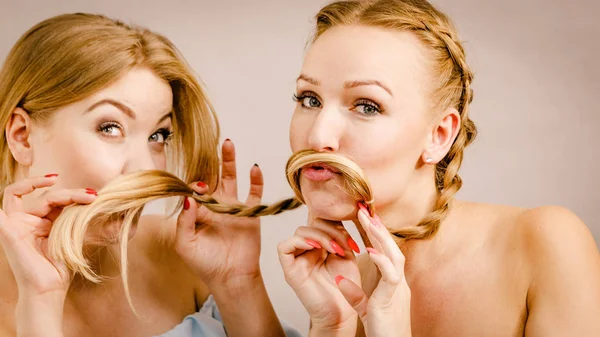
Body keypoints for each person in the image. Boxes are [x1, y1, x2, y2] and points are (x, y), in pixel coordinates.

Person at [278, 0, 600, 336]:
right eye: (309, 99)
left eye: (367, 106)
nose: (317, 137)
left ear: (439, 135)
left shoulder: (546, 245)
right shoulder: (343, 283)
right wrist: (332, 327)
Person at [0, 13, 300, 337]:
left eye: (158, 136)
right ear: (21, 136)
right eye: (110, 128)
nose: (146, 171)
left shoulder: (181, 254)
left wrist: (240, 284)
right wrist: (40, 303)